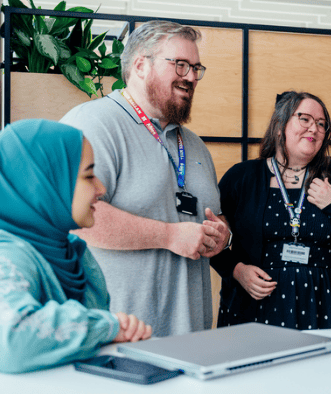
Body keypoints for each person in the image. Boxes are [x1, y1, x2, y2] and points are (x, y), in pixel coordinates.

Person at [0, 119, 152, 394]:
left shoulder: (71, 253)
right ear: (41, 181)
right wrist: (107, 328)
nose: (101, 188)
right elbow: (7, 338)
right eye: (88, 175)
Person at [60, 20, 230, 337]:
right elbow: (73, 216)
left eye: (196, 68)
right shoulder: (93, 124)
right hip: (119, 337)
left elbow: (211, 216)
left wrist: (221, 235)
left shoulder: (194, 145)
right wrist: (168, 235)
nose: (191, 77)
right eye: (180, 65)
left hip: (191, 338)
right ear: (140, 65)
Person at [211, 91, 331, 330]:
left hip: (323, 307)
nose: (314, 128)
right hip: (253, 307)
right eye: (305, 119)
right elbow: (211, 239)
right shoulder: (242, 177)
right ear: (280, 125)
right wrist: (236, 270)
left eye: (321, 124)